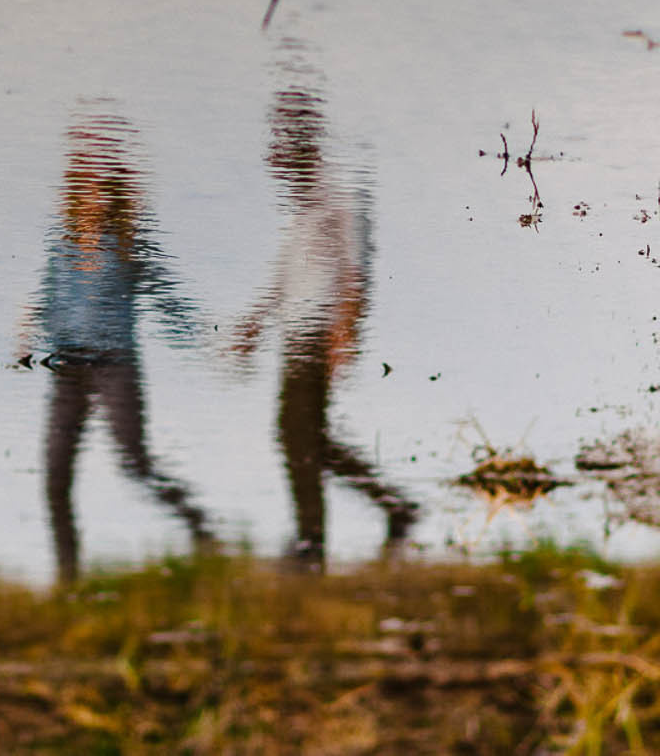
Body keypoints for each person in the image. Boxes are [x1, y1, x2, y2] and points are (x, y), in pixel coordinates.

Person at [230, 52, 417, 569]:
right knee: (306, 436)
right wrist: (255, 321)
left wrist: (346, 333)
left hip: (316, 332)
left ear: (305, 142)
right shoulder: (305, 200)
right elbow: (288, 273)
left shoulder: (340, 194)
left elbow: (355, 272)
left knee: (296, 435)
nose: (275, 157)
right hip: (295, 327)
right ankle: (392, 511)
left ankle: (312, 545)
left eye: (282, 145)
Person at [22, 110, 211, 584]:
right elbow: (47, 294)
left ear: (113, 196)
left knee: (134, 463)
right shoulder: (61, 241)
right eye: (86, 188)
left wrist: (202, 337)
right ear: (75, 191)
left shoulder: (129, 245)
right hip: (67, 365)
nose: (94, 198)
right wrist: (25, 334)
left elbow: (167, 297)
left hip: (114, 365)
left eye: (102, 190)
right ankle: (68, 580)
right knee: (54, 477)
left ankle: (201, 527)